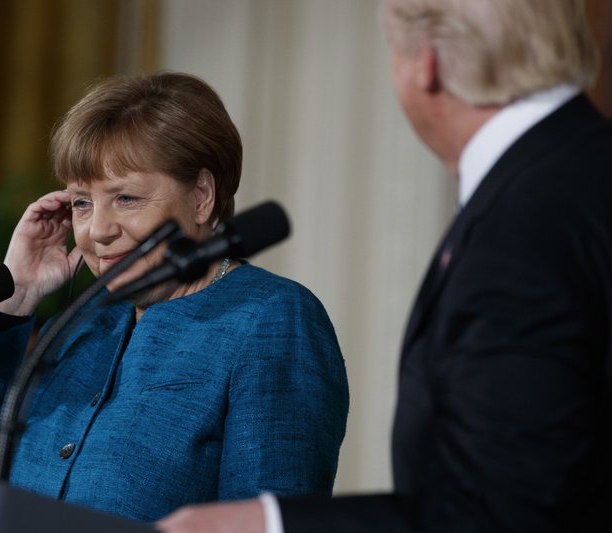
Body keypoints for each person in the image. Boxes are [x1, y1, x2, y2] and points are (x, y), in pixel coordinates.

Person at [156, 0, 612, 531]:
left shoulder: (521, 227)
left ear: (427, 63)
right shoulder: (580, 171)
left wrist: (267, 523)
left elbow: (499, 512)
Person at [0, 72, 349, 523]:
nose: (97, 231)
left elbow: (266, 523)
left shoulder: (270, 319)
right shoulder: (81, 326)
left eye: (125, 198)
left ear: (202, 196)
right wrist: (15, 301)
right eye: (82, 203)